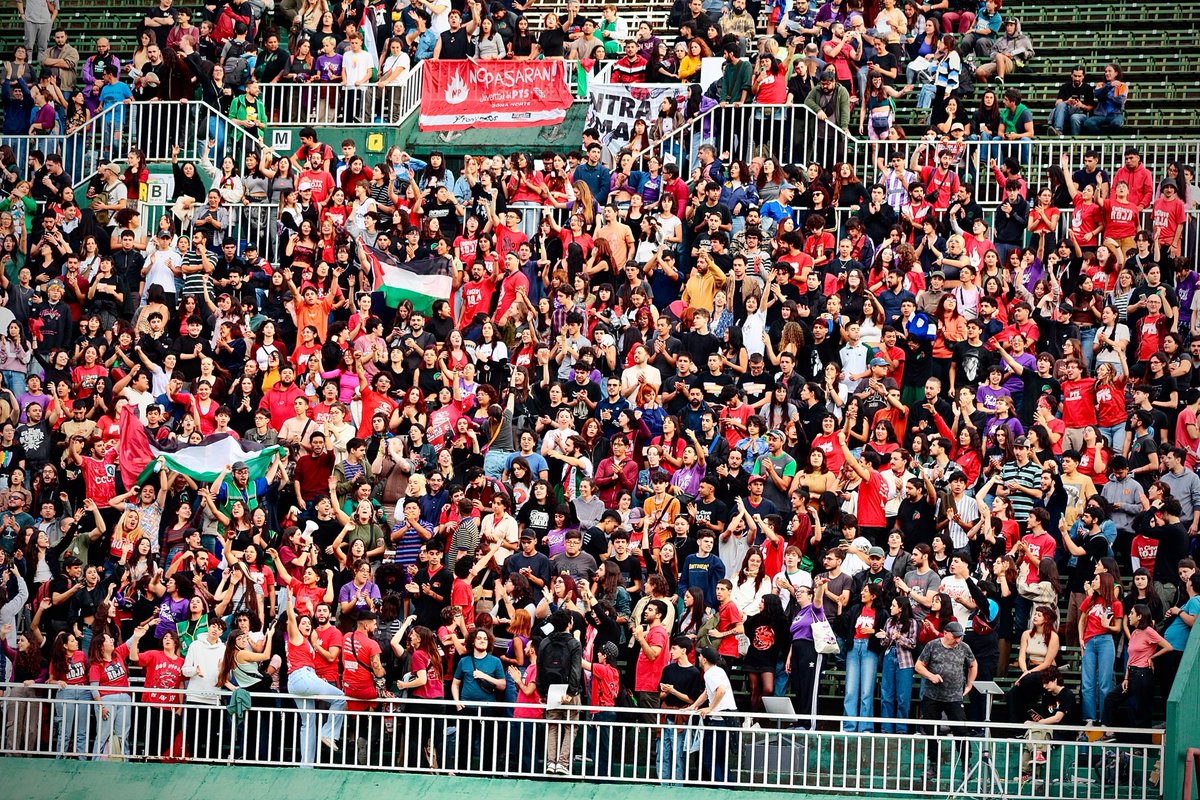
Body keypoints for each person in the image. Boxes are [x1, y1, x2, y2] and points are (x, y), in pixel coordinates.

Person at [914, 621, 976, 772]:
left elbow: (973, 664)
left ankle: (966, 764)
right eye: (955, 636)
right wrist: (931, 676)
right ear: (945, 632)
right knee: (930, 730)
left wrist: (969, 684)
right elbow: (918, 665)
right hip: (932, 695)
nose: (957, 640)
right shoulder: (932, 645)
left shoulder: (964, 647)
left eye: (959, 637)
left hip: (954, 696)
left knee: (961, 729)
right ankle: (933, 763)